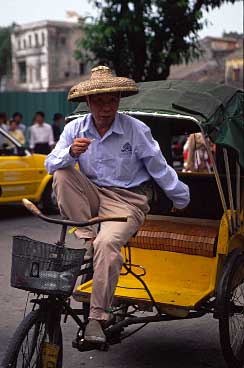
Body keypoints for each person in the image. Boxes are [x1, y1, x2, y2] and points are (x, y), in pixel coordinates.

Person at [45, 66, 190, 344]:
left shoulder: (135, 130)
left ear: (119, 100)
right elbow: (50, 164)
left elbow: (159, 168)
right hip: (92, 194)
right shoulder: (75, 128)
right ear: (88, 103)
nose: (105, 107)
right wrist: (70, 152)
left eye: (111, 100)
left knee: (108, 245)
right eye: (99, 101)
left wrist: (181, 198)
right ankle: (89, 240)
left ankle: (98, 318)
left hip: (127, 200)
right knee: (62, 173)